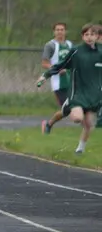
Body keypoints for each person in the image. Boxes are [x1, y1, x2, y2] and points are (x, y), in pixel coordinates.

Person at [38, 23, 102, 155]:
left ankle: (80, 150)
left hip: (93, 95)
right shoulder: (76, 51)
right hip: (77, 93)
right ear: (83, 36)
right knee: (77, 118)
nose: (89, 37)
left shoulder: (101, 52)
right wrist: (45, 76)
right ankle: (52, 121)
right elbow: (60, 66)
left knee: (89, 123)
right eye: (86, 34)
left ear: (97, 36)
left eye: (92, 34)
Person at [41, 22, 74, 127]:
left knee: (76, 106)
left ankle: (87, 126)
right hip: (58, 82)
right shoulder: (50, 45)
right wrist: (56, 69)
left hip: (72, 80)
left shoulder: (70, 45)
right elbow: (44, 63)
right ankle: (49, 124)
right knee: (66, 109)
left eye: (62, 29)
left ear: (65, 31)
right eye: (57, 30)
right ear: (54, 32)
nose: (60, 32)